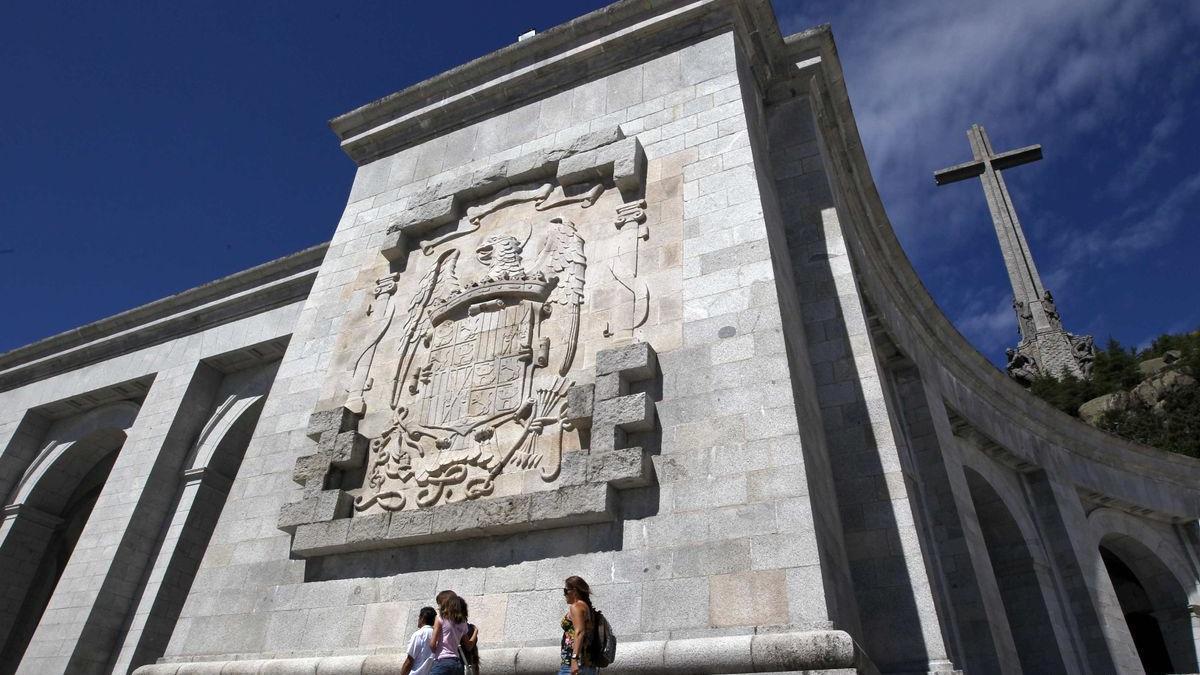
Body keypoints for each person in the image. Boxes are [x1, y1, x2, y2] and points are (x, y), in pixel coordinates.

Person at [430, 592, 476, 675]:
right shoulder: (463, 622)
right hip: (457, 664)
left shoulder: (440, 618)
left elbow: (432, 644)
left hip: (442, 662)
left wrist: (436, 651)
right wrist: (475, 631)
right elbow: (469, 646)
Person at [559, 576, 597, 675]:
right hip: (588, 664)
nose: (564, 594)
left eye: (565, 590)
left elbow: (580, 632)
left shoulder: (576, 607)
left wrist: (574, 659)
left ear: (574, 591)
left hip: (574, 665)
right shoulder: (587, 607)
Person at [400, 606, 437, 675]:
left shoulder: (418, 634)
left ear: (422, 618)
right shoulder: (436, 635)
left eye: (419, 617)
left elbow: (409, 660)